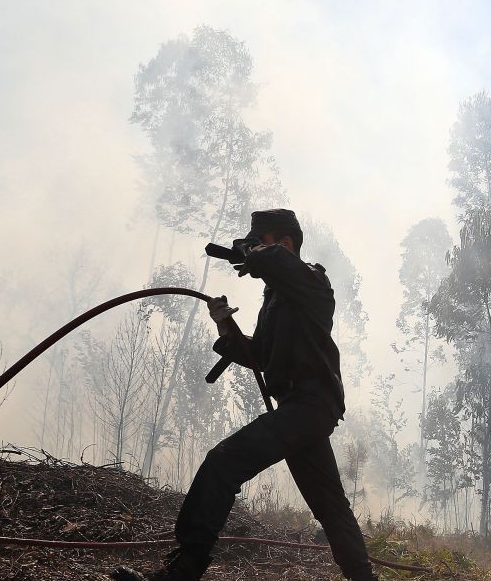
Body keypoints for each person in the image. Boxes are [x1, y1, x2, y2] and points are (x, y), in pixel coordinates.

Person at [114, 209, 377, 581]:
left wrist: (251, 252)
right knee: (331, 507)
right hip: (299, 409)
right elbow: (262, 356)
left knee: (223, 463)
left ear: (285, 244)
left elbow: (275, 262)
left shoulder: (312, 282)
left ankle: (183, 571)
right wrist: (225, 325)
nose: (253, 250)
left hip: (310, 404)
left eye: (261, 241)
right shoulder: (277, 299)